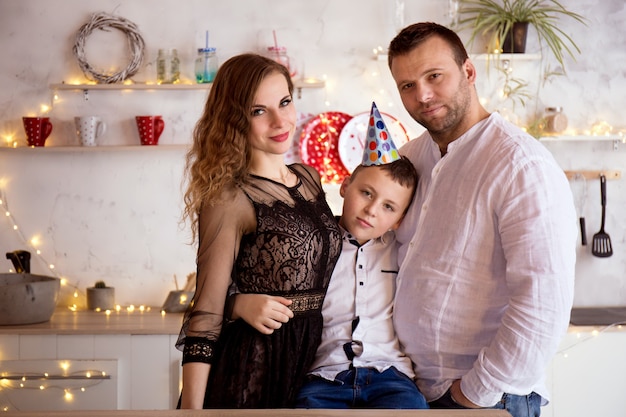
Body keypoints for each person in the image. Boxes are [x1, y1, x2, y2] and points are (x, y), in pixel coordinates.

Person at [386, 22, 577, 417]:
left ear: (468, 72)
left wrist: (473, 394)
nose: (421, 95)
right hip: (411, 391)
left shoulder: (521, 165)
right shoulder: (409, 159)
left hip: (487, 397)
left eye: (434, 76)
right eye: (407, 85)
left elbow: (543, 304)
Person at [233, 103, 428, 409]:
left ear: (400, 219)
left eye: (389, 207)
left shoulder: (402, 250)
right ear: (345, 186)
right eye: (366, 193)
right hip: (323, 379)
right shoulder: (311, 246)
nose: (372, 210)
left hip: (389, 377)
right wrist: (237, 302)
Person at [175, 53, 342, 409]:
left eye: (284, 102)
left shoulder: (310, 179)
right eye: (258, 111)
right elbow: (204, 314)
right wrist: (191, 411)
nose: (280, 120)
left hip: (315, 364)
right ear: (235, 120)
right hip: (254, 368)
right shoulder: (229, 197)